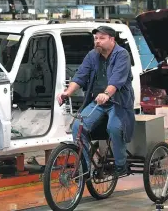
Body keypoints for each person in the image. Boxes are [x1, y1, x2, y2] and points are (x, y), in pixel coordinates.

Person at [57, 26, 135, 176]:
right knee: (77, 128)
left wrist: (106, 93)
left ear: (112, 40)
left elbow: (117, 80)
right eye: (96, 38)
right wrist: (67, 92)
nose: (97, 41)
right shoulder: (92, 55)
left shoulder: (122, 54)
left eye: (102, 38)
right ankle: (85, 167)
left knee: (114, 128)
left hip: (118, 102)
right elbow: (80, 76)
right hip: (98, 102)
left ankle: (120, 165)